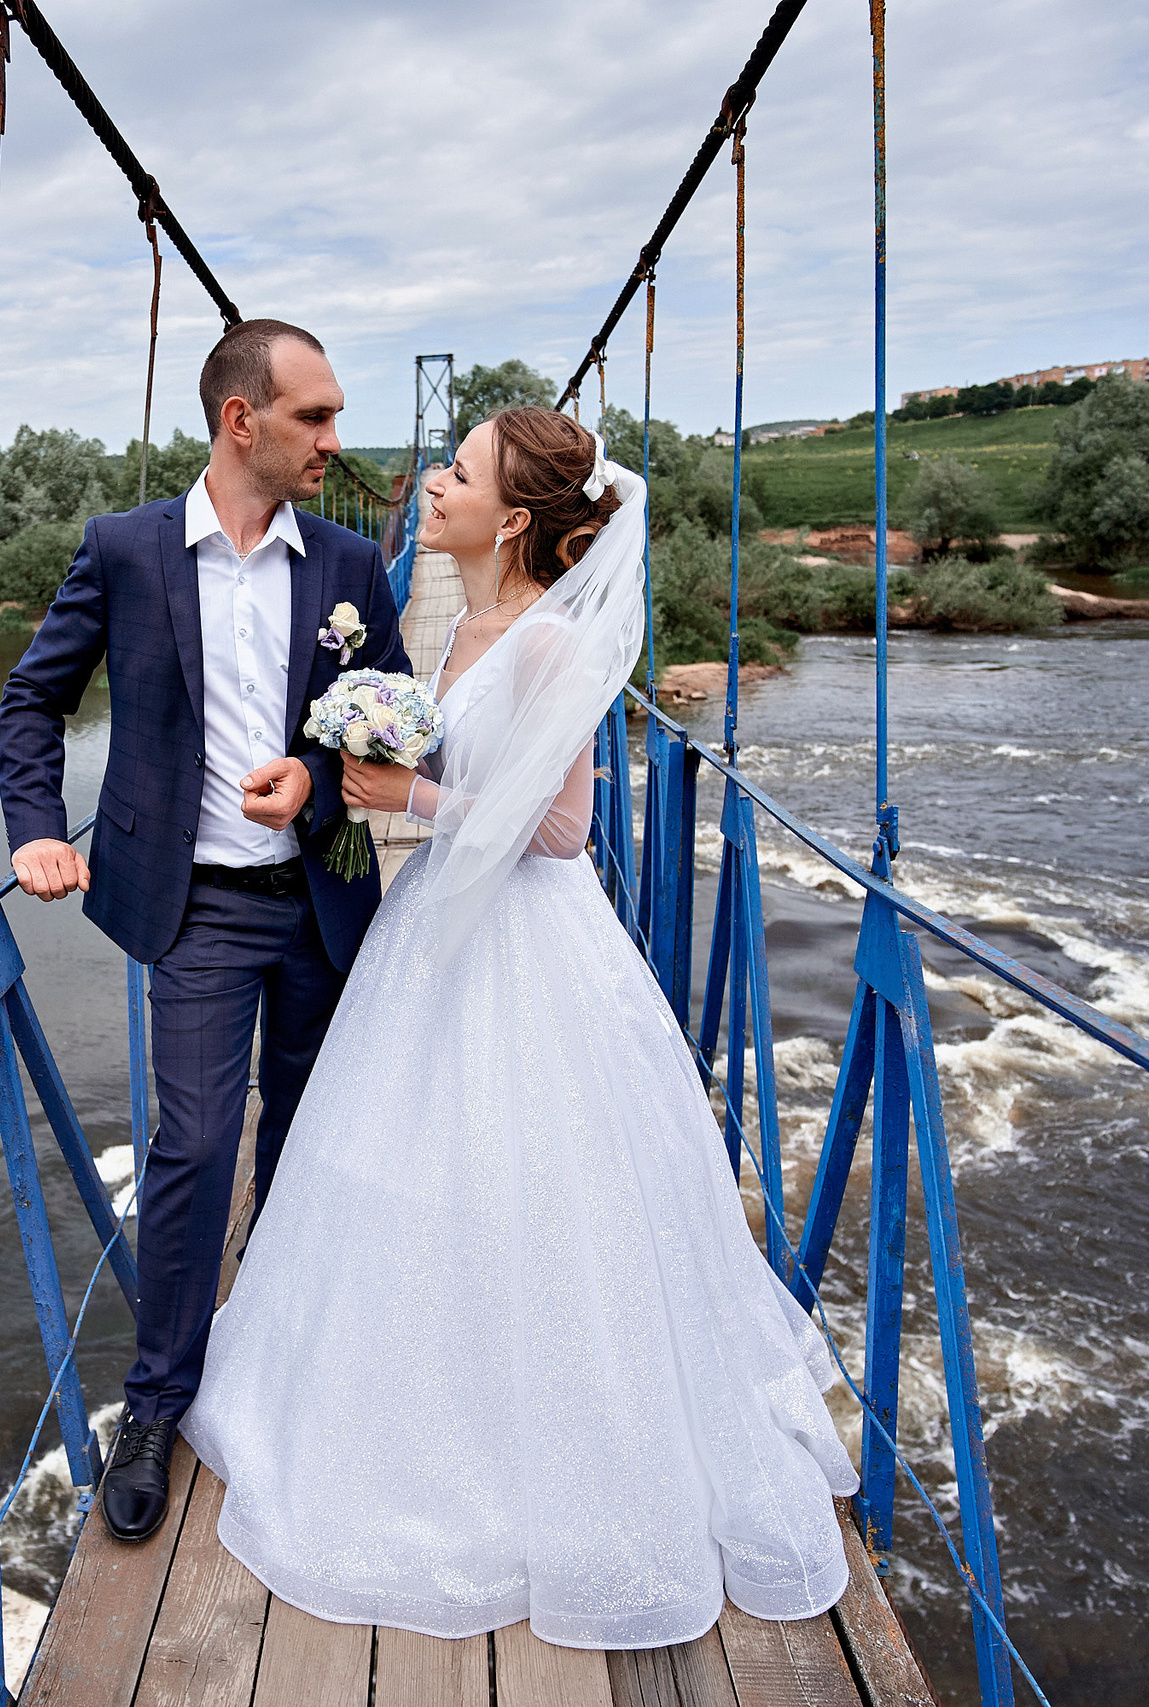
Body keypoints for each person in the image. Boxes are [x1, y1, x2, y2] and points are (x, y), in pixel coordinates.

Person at [180, 407, 858, 1649]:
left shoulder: (544, 644)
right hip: (439, 920)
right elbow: (445, 780)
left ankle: (537, 1441)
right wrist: (350, 773)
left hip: (522, 937)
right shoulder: (466, 625)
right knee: (414, 1156)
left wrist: (409, 793)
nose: (429, 482)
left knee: (529, 1167)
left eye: (457, 472)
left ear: (513, 519)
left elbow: (555, 834)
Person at [0, 319, 413, 1543]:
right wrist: (34, 824)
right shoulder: (123, 551)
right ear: (244, 421)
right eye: (315, 417)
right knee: (189, 1152)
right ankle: (158, 1405)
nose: (336, 439)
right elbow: (34, 696)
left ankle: (285, 1359)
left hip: (322, 899)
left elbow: (393, 727)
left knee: (309, 1135)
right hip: (196, 912)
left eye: (335, 416)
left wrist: (321, 781)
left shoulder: (346, 562)